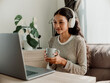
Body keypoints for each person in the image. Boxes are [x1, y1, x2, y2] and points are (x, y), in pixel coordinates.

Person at [44, 7, 89, 75]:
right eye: (55, 22)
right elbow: (51, 68)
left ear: (70, 23)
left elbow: (82, 70)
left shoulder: (78, 41)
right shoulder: (52, 40)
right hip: (55, 77)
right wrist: (51, 62)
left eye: (61, 22)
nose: (57, 26)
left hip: (72, 79)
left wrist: (63, 62)